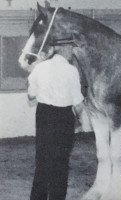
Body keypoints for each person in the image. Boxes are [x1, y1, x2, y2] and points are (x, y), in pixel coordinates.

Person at [27, 46, 84, 200]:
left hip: (44, 116)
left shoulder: (40, 67)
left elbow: (31, 95)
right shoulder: (72, 70)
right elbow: (78, 103)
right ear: (64, 50)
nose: (72, 52)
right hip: (63, 117)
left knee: (42, 161)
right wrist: (79, 119)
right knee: (61, 163)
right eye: (71, 48)